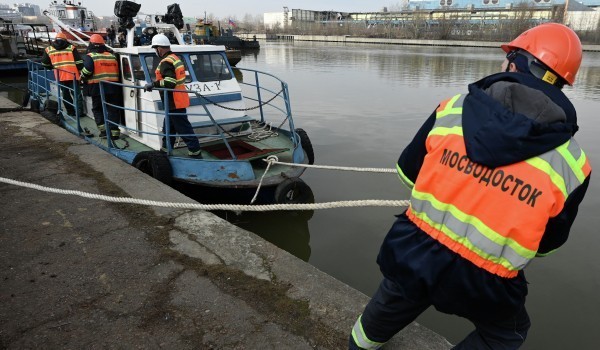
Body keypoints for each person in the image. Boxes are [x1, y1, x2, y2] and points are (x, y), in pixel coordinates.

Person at [350, 23, 591, 350]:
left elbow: (407, 173)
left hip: (416, 251)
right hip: (486, 283)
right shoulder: (573, 164)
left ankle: (360, 346)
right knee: (508, 333)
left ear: (515, 63)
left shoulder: (451, 109)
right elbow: (547, 244)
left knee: (393, 300)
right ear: (561, 82)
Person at [143, 33, 202, 158]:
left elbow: (170, 82)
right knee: (169, 127)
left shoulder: (166, 62)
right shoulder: (175, 58)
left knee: (183, 128)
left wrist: (153, 84)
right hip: (176, 99)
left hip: (173, 101)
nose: (155, 51)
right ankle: (165, 149)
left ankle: (195, 151)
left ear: (159, 48)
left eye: (155, 49)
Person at [80, 34, 122, 138]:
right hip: (113, 87)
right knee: (113, 109)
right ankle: (114, 132)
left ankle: (103, 132)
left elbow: (87, 70)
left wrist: (82, 76)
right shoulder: (112, 56)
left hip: (97, 87)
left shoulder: (91, 56)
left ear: (91, 44)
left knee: (98, 109)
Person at [41, 32, 84, 117]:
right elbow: (79, 62)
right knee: (77, 94)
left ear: (55, 40)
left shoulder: (49, 49)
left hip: (60, 75)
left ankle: (70, 111)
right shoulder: (71, 48)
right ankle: (79, 113)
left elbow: (44, 63)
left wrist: (53, 68)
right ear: (65, 40)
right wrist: (81, 71)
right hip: (73, 75)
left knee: (65, 95)